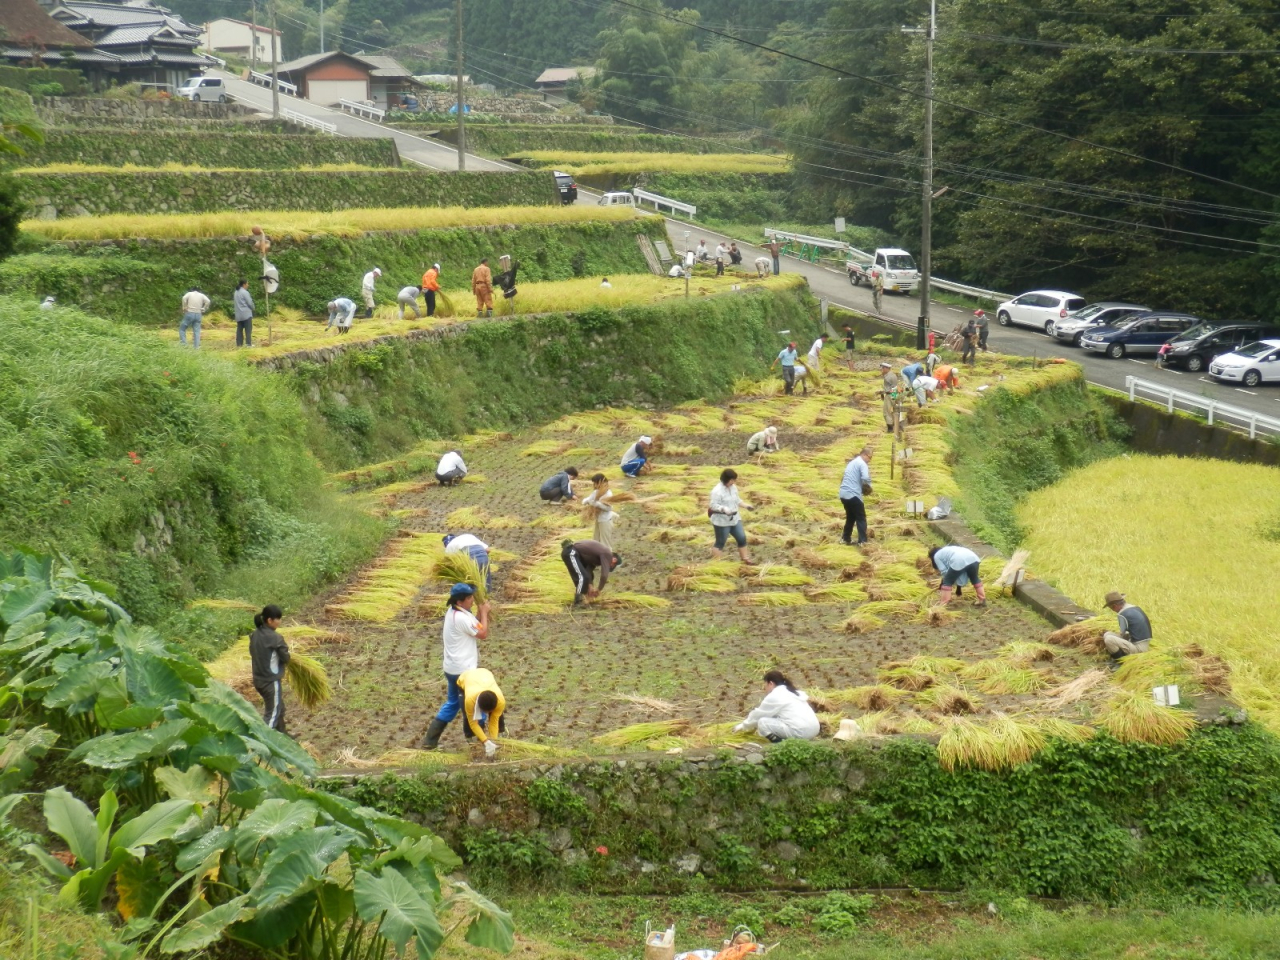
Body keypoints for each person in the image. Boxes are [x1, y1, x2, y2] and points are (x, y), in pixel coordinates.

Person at [420, 583, 490, 749]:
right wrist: (486, 613)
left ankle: (430, 741)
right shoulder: (461, 618)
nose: (472, 600)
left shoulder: (455, 612)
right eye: (470, 598)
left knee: (453, 703)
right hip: (463, 671)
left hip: (451, 669)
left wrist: (480, 612)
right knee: (474, 704)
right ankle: (475, 738)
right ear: (460, 601)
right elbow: (483, 634)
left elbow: (475, 625)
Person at [733, 670, 820, 742]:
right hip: (815, 729)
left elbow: (758, 715)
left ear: (770, 683)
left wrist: (743, 726)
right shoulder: (793, 691)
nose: (765, 689)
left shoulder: (775, 695)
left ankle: (780, 744)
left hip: (801, 732)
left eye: (765, 685)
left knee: (763, 722)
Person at [249, 604, 290, 733]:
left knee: (279, 708)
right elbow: (286, 658)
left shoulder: (255, 634)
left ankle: (284, 736)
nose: (280, 621)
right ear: (269, 620)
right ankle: (264, 743)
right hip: (270, 681)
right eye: (278, 618)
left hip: (258, 679)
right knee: (272, 715)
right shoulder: (275, 638)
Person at [456, 667, 506, 757]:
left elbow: (493, 722)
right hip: (466, 678)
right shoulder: (470, 700)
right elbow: (473, 723)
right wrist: (486, 741)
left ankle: (500, 736)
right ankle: (471, 740)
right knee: (467, 717)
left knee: (498, 717)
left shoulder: (500, 701)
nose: (487, 714)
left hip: (484, 673)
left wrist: (493, 741)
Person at [709, 468, 755, 563]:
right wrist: (723, 509)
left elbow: (737, 500)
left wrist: (746, 506)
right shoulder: (717, 491)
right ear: (726, 479)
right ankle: (717, 563)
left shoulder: (733, 488)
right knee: (720, 542)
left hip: (735, 518)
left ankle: (745, 559)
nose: (733, 482)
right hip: (722, 521)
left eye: (734, 480)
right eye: (731, 480)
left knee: (742, 538)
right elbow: (713, 505)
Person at [561, 538, 621, 605]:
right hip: (571, 552)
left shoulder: (596, 558)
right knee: (583, 577)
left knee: (586, 577)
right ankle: (578, 600)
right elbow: (604, 575)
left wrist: (590, 586)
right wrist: (599, 590)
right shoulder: (607, 554)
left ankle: (583, 597)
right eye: (613, 565)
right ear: (614, 560)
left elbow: (588, 571)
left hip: (574, 555)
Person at [1102, 591, 1153, 661]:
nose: (1113, 610)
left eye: (1111, 608)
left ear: (1114, 606)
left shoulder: (1122, 614)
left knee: (1109, 639)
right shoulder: (1135, 607)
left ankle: (1120, 661)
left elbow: (1123, 633)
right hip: (1144, 643)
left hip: (1139, 649)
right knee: (1107, 634)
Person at [839, 446, 872, 545]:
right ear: (864, 454)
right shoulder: (862, 464)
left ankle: (845, 538)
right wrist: (868, 486)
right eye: (870, 457)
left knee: (851, 517)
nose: (869, 460)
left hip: (843, 494)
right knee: (861, 518)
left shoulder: (852, 462)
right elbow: (865, 477)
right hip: (853, 494)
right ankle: (863, 541)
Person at [583, 473, 617, 551]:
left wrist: (597, 504)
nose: (594, 485)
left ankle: (608, 559)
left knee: (605, 543)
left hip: (605, 520)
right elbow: (589, 499)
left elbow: (609, 508)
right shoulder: (597, 492)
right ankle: (597, 558)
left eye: (595, 483)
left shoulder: (608, 494)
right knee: (596, 541)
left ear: (600, 483)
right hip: (598, 519)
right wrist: (586, 501)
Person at [233, 279, 254, 347]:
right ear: (244, 284)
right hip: (246, 314)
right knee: (248, 330)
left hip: (239, 314)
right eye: (247, 284)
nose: (248, 285)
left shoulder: (236, 292)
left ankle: (239, 344)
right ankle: (248, 344)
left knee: (239, 330)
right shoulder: (245, 292)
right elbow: (249, 303)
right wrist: (253, 308)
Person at [878, 361, 898, 433]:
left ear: (887, 368)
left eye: (883, 368)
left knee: (887, 412)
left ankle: (890, 429)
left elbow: (889, 390)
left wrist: (882, 392)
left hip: (890, 395)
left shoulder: (888, 377)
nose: (881, 370)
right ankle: (895, 426)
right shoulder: (893, 375)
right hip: (895, 394)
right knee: (893, 411)